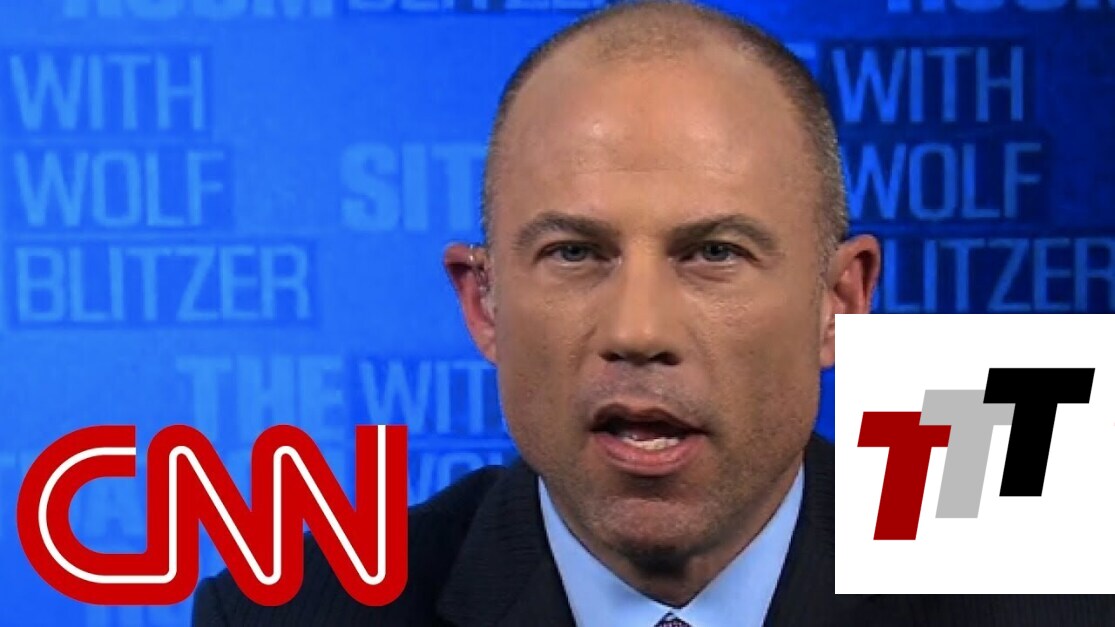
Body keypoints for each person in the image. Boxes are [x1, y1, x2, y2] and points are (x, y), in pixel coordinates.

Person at [192, 1, 1114, 625]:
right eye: (574, 253)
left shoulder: (1057, 592)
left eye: (714, 252)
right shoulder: (296, 613)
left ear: (839, 303)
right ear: (484, 304)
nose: (638, 330)